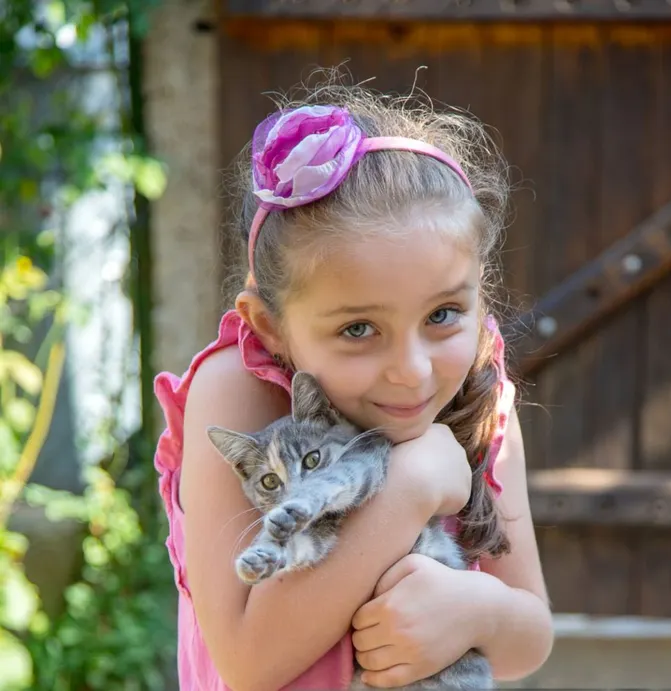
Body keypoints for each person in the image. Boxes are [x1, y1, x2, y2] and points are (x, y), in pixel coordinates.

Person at [153, 74, 554, 691]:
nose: (413, 370)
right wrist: (414, 481)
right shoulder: (238, 390)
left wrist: (477, 611)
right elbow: (248, 661)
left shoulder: (478, 391)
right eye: (360, 328)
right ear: (273, 326)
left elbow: (530, 637)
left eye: (443, 315)